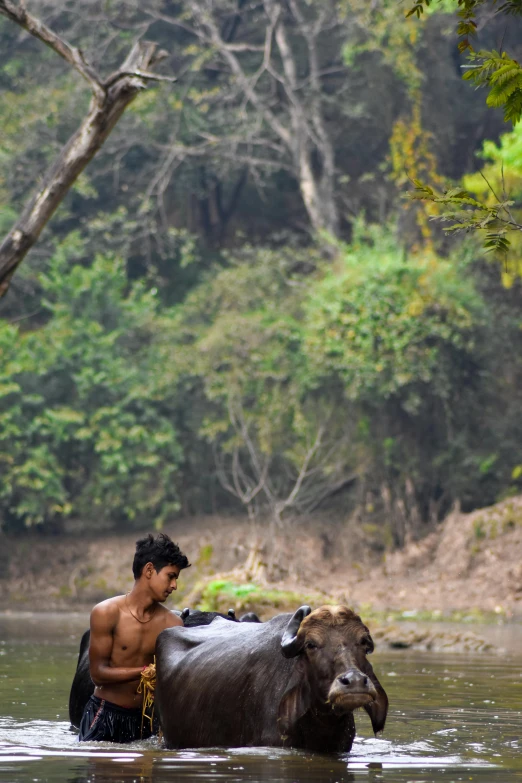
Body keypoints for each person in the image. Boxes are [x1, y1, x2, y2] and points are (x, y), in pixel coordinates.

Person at [78, 533, 190, 743]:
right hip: (105, 714)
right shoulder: (106, 613)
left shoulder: (173, 625)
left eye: (176, 578)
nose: (174, 585)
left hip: (145, 721)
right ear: (149, 570)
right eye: (171, 576)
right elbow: (98, 674)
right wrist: (146, 672)